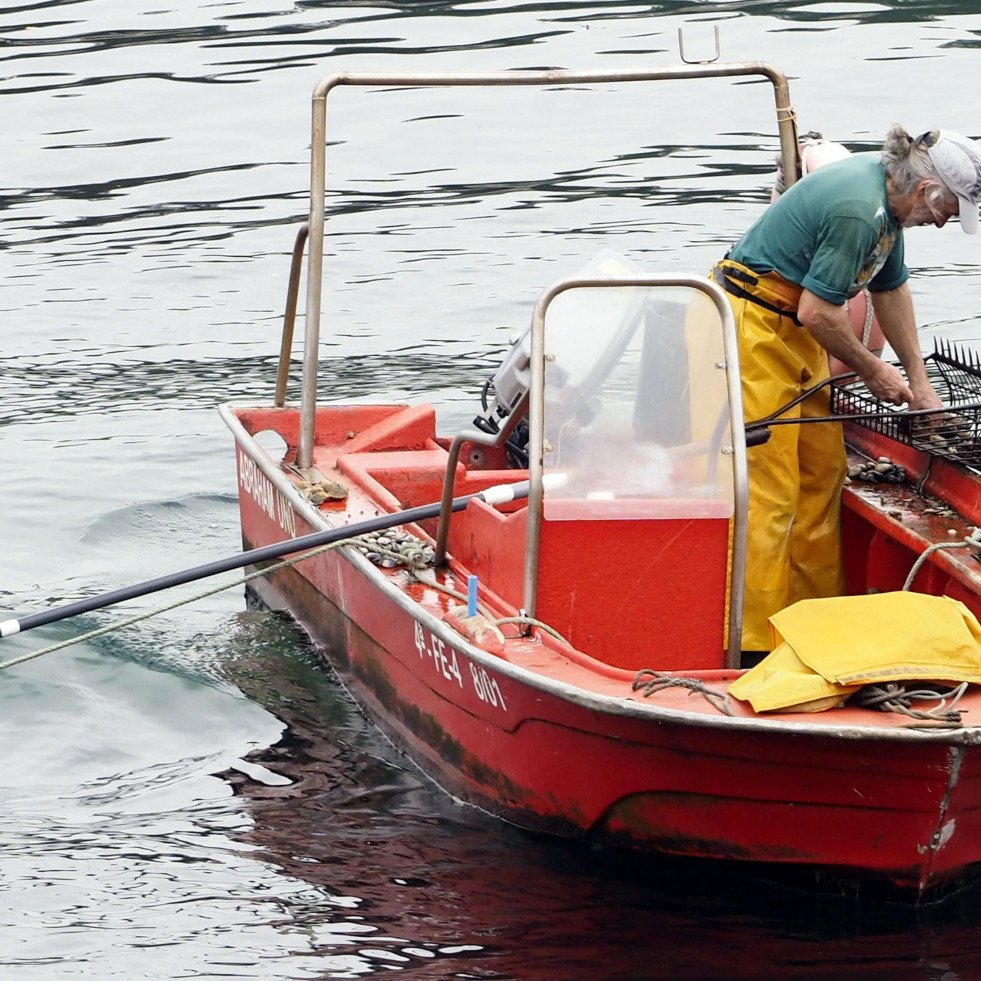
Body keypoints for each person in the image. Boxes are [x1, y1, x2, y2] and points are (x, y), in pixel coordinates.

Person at [712, 125, 981, 652]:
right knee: (771, 487)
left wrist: (920, 384)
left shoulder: (890, 204)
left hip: (794, 331)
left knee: (821, 473)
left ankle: (815, 624)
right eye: (949, 208)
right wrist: (875, 370)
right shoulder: (861, 210)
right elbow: (818, 311)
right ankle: (752, 644)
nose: (947, 220)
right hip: (752, 325)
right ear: (927, 191)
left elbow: (891, 287)